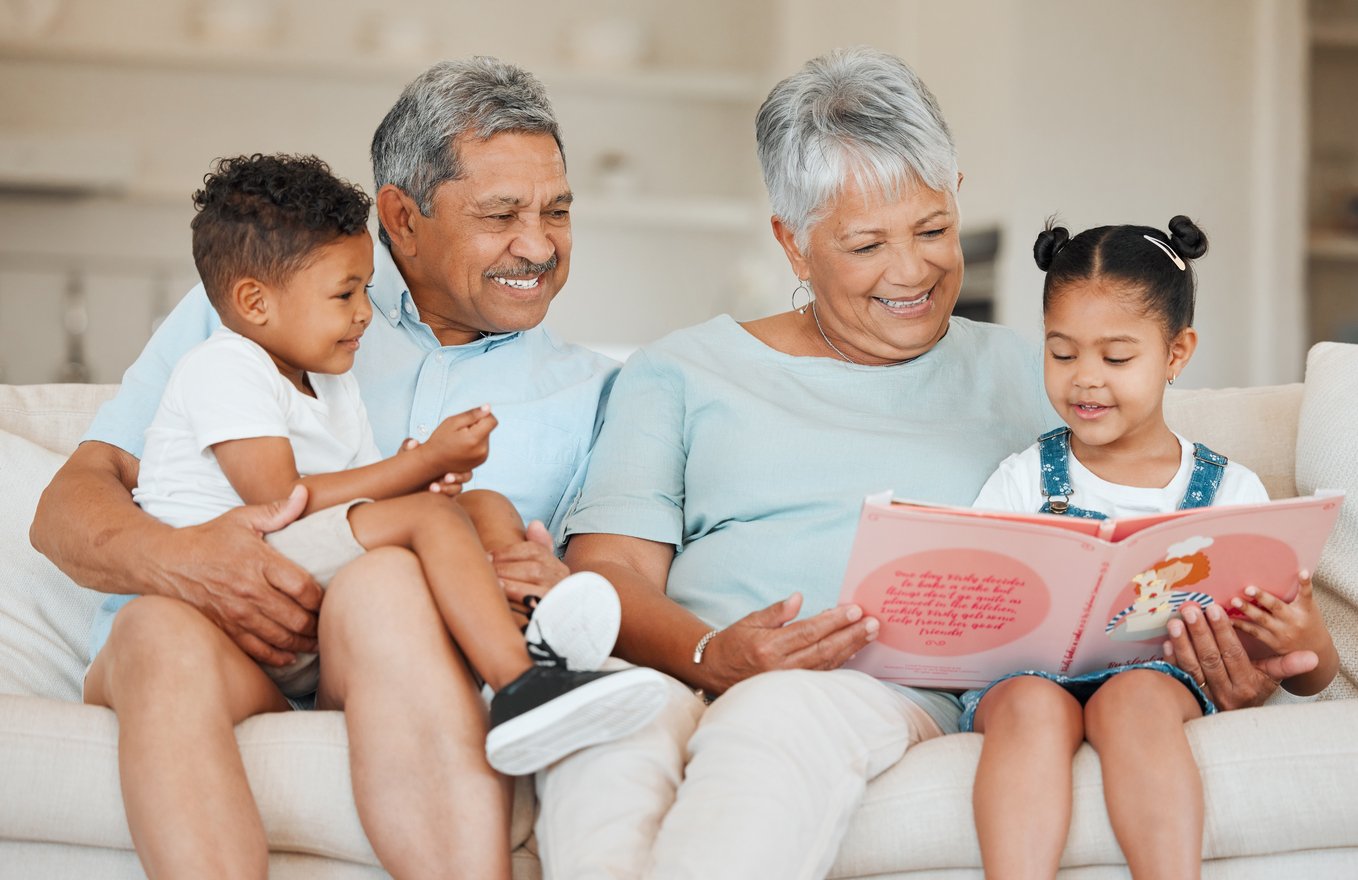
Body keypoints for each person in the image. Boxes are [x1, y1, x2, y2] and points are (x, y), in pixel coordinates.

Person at [533, 47, 1322, 880]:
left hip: (867, 692)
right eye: (867, 243)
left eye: (933, 230)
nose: (911, 271)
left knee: (778, 716)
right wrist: (707, 655)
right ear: (793, 246)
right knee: (603, 737)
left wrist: (1213, 663)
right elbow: (609, 569)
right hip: (680, 662)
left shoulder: (1045, 378)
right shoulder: (682, 370)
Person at [31, 58, 618, 880]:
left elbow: (610, 582)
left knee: (387, 585)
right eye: (501, 214)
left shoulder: (598, 391)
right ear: (401, 220)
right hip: (212, 648)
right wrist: (187, 561)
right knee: (156, 629)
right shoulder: (263, 309)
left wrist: (547, 578)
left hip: (389, 649)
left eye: (557, 211)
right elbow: (65, 507)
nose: (538, 244)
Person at [965, 217, 1339, 879]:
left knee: (1133, 696)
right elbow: (975, 606)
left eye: (1115, 358)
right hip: (1024, 679)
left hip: (1159, 681)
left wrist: (1299, 630)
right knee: (1030, 702)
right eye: (1061, 353)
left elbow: (1311, 674)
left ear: (1176, 353)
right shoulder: (1020, 477)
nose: (1085, 379)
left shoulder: (1231, 492)